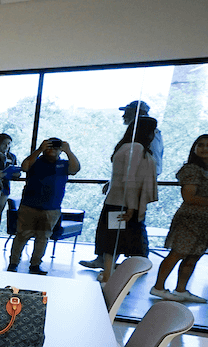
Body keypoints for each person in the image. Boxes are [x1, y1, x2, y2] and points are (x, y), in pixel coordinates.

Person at [79, 117, 158, 271]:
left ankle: (108, 274)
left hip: (117, 203)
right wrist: (131, 207)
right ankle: (111, 276)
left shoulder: (127, 146)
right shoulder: (136, 148)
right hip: (124, 204)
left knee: (113, 240)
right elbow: (129, 179)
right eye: (153, 130)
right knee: (119, 241)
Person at [8, 137, 81, 275]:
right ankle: (13, 263)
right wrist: (39, 149)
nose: (52, 149)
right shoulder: (36, 161)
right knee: (22, 235)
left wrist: (68, 151)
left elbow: (75, 169)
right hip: (29, 206)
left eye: (56, 147)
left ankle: (35, 265)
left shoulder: (64, 164)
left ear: (60, 149)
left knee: (43, 238)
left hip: (52, 208)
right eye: (49, 146)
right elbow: (24, 166)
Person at [151, 134, 208, 303]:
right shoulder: (191, 169)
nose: (204, 148)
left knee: (194, 256)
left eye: (207, 145)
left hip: (205, 222)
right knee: (177, 253)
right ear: (195, 148)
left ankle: (181, 289)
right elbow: (189, 197)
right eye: (200, 145)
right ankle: (158, 287)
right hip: (190, 219)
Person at [121, 100, 163, 176]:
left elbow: (154, 158)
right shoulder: (137, 133)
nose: (123, 116)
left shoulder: (149, 133)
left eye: (128, 112)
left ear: (140, 113)